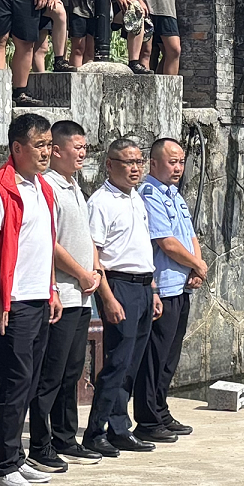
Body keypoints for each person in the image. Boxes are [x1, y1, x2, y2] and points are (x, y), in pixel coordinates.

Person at [0, 112, 62, 486]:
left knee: (31, 380)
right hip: (14, 301)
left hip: (39, 297)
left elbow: (46, 244)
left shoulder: (43, 188)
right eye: (39, 145)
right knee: (14, 380)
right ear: (17, 148)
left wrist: (52, 288)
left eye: (49, 145)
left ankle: (18, 457)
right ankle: (4, 465)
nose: (46, 152)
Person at [28, 119, 101, 470]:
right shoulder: (48, 187)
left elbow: (84, 236)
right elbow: (50, 242)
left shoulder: (74, 186)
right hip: (62, 292)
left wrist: (94, 270)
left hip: (82, 294)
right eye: (77, 147)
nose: (83, 153)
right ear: (56, 150)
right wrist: (81, 273)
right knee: (51, 373)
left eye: (85, 147)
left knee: (72, 371)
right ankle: (39, 444)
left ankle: (65, 437)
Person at [81, 138, 162, 458]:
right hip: (118, 284)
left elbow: (141, 248)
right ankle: (95, 430)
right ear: (110, 165)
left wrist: (153, 289)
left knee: (131, 363)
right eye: (128, 163)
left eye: (139, 162)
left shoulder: (136, 198)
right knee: (116, 361)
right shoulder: (101, 202)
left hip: (142, 285)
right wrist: (108, 298)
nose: (135, 169)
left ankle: (119, 426)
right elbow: (95, 254)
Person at [135, 137, 207, 443]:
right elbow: (166, 242)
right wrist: (197, 264)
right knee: (154, 356)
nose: (177, 168)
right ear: (154, 163)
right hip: (163, 287)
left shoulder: (174, 195)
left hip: (181, 284)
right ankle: (148, 418)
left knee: (170, 356)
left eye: (181, 162)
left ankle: (161, 410)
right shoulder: (149, 194)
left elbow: (189, 236)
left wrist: (196, 267)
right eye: (171, 162)